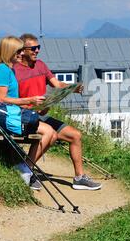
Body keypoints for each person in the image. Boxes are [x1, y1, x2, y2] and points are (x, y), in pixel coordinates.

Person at [13, 33, 102, 191]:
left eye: (38, 47)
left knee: (75, 135)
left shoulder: (41, 65)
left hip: (42, 115)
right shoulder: (14, 71)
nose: (37, 51)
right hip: (27, 116)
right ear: (23, 50)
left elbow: (56, 84)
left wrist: (71, 88)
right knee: (51, 135)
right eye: (33, 48)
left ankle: (79, 178)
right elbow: (12, 99)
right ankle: (25, 169)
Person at [0, 36, 57, 190]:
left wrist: (30, 102)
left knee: (52, 135)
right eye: (18, 51)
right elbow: (2, 99)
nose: (21, 54)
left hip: (9, 113)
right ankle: (25, 169)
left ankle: (25, 167)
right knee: (48, 132)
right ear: (9, 52)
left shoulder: (8, 69)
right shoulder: (2, 71)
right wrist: (29, 100)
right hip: (2, 116)